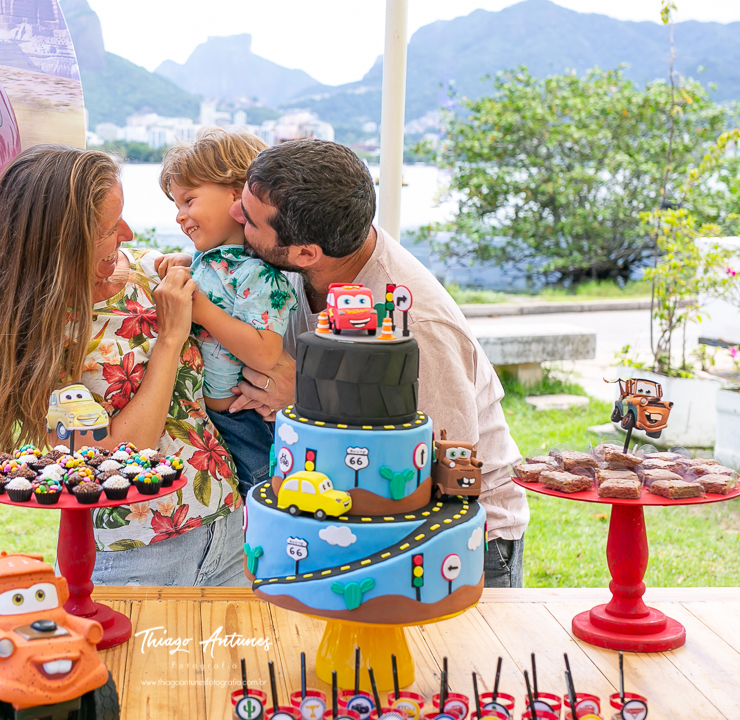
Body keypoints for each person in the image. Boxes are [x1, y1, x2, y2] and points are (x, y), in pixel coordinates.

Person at [226, 139, 530, 587]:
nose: (235, 215)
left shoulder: (418, 325)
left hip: (460, 546)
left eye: (248, 218)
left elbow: (438, 460)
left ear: (307, 253)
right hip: (360, 525)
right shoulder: (304, 264)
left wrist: (308, 398)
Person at [0, 145, 245, 587]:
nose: (128, 233)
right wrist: (168, 340)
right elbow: (110, 458)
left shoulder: (152, 273)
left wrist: (197, 265)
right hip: (135, 555)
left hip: (228, 530)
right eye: (109, 229)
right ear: (59, 245)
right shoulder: (40, 336)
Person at [156, 129, 297, 499]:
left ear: (238, 195)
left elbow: (266, 352)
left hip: (242, 420)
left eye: (189, 200)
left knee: (266, 499)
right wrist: (187, 261)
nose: (180, 216)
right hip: (210, 416)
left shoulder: (259, 275)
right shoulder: (214, 260)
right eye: (176, 206)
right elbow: (215, 276)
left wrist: (202, 311)